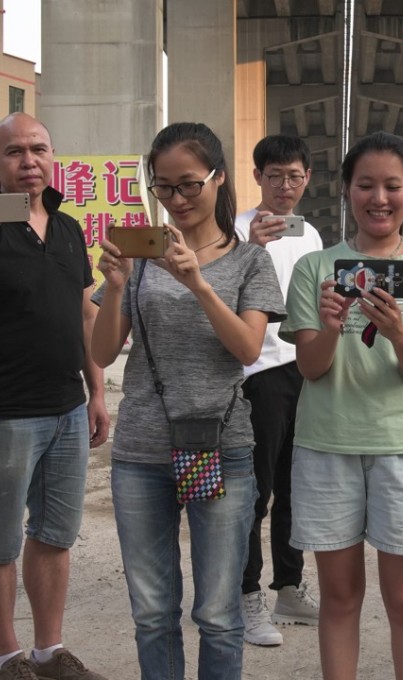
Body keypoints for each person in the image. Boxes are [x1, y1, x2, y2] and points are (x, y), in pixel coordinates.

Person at [90, 122, 286, 680]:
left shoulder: (251, 262)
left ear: (219, 179)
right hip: (142, 452)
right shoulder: (142, 257)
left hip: (220, 447)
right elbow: (102, 355)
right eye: (164, 188)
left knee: (220, 613)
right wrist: (118, 288)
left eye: (189, 185)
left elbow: (248, 348)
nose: (176, 200)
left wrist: (199, 283)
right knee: (152, 612)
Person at [279, 130, 403, 680]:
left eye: (392, 185)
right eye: (366, 185)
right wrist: (332, 325)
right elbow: (311, 368)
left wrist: (399, 331)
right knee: (339, 599)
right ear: (346, 191)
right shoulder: (316, 269)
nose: (379, 198)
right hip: (325, 447)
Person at [0, 112, 110, 680]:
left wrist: (96, 392)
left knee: (54, 533)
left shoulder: (68, 228)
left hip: (68, 408)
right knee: (1, 542)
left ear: (52, 156)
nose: (28, 161)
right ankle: (7, 655)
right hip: (8, 414)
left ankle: (48, 651)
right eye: (14, 152)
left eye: (37, 149)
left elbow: (85, 314)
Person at [234, 134, 322, 647]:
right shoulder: (238, 228)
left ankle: (288, 587)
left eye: (294, 176)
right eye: (274, 176)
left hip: (304, 370)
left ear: (307, 178)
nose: (284, 186)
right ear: (258, 177)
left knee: (296, 488)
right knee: (255, 491)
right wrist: (252, 248)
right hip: (258, 372)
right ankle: (245, 596)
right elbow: (221, 284)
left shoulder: (310, 234)